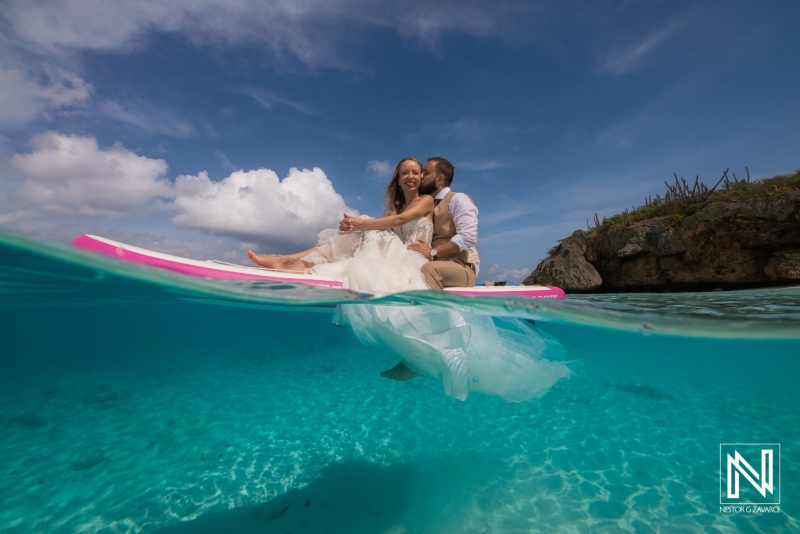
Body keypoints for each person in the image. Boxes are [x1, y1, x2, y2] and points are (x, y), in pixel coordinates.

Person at [247, 157, 433, 294]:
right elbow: (390, 225)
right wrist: (355, 226)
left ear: (421, 178)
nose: (410, 176)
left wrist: (360, 223)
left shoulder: (426, 201)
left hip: (414, 260)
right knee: (350, 240)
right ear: (398, 180)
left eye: (415, 173)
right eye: (405, 173)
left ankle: (288, 259)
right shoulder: (396, 208)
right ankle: (291, 261)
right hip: (397, 254)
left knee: (365, 228)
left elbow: (400, 221)